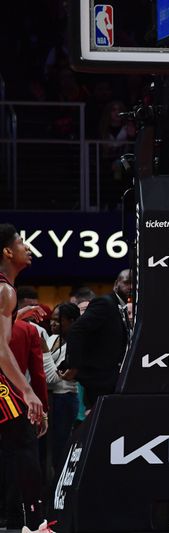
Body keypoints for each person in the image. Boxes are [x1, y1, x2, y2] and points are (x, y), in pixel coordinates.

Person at [0, 224, 48, 532]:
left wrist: (17, 317)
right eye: (21, 242)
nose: (26, 247)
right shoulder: (5, 290)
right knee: (23, 442)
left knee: (17, 442)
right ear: (7, 251)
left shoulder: (6, 292)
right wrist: (29, 392)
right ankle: (36, 522)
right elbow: (1, 350)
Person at [64, 269, 132, 410]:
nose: (130, 287)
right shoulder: (105, 303)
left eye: (134, 284)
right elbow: (76, 330)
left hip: (111, 379)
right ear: (116, 284)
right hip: (98, 380)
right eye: (126, 283)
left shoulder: (120, 306)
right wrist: (74, 366)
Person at [43, 302, 80, 469]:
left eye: (58, 320)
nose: (53, 323)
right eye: (52, 320)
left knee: (62, 442)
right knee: (48, 445)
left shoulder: (78, 343)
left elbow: (55, 378)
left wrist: (43, 351)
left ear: (72, 321)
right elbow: (52, 373)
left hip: (65, 397)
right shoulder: (51, 338)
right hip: (50, 396)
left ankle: (60, 481)